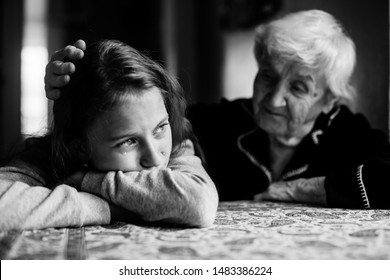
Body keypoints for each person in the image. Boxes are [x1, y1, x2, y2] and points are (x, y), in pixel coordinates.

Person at [44, 10, 390, 209]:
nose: (273, 99)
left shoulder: (348, 132)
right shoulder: (220, 122)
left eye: (298, 88)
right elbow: (129, 126)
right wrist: (76, 91)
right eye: (268, 77)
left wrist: (305, 189)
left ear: (329, 99)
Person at [0, 39, 218, 231]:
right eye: (129, 141)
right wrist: (109, 208)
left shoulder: (178, 146)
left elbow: (198, 204)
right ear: (80, 147)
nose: (156, 158)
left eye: (160, 128)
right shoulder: (45, 160)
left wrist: (86, 181)